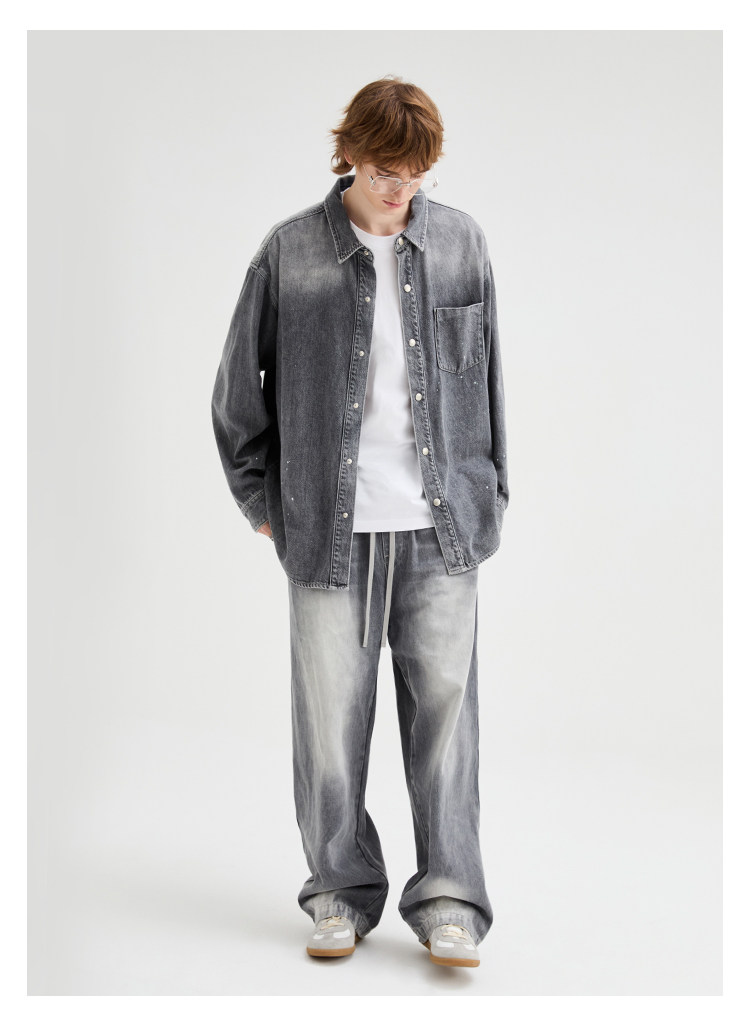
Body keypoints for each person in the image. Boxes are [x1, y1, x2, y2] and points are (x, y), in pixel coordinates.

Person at [211, 75, 509, 969]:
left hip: (442, 533)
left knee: (448, 729)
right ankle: (339, 893)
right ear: (350, 156)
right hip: (327, 535)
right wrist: (265, 504)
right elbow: (235, 396)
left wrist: (489, 495)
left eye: (415, 175)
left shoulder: (460, 243)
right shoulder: (291, 252)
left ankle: (450, 901)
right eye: (385, 172)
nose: (399, 190)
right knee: (330, 731)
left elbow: (489, 384)